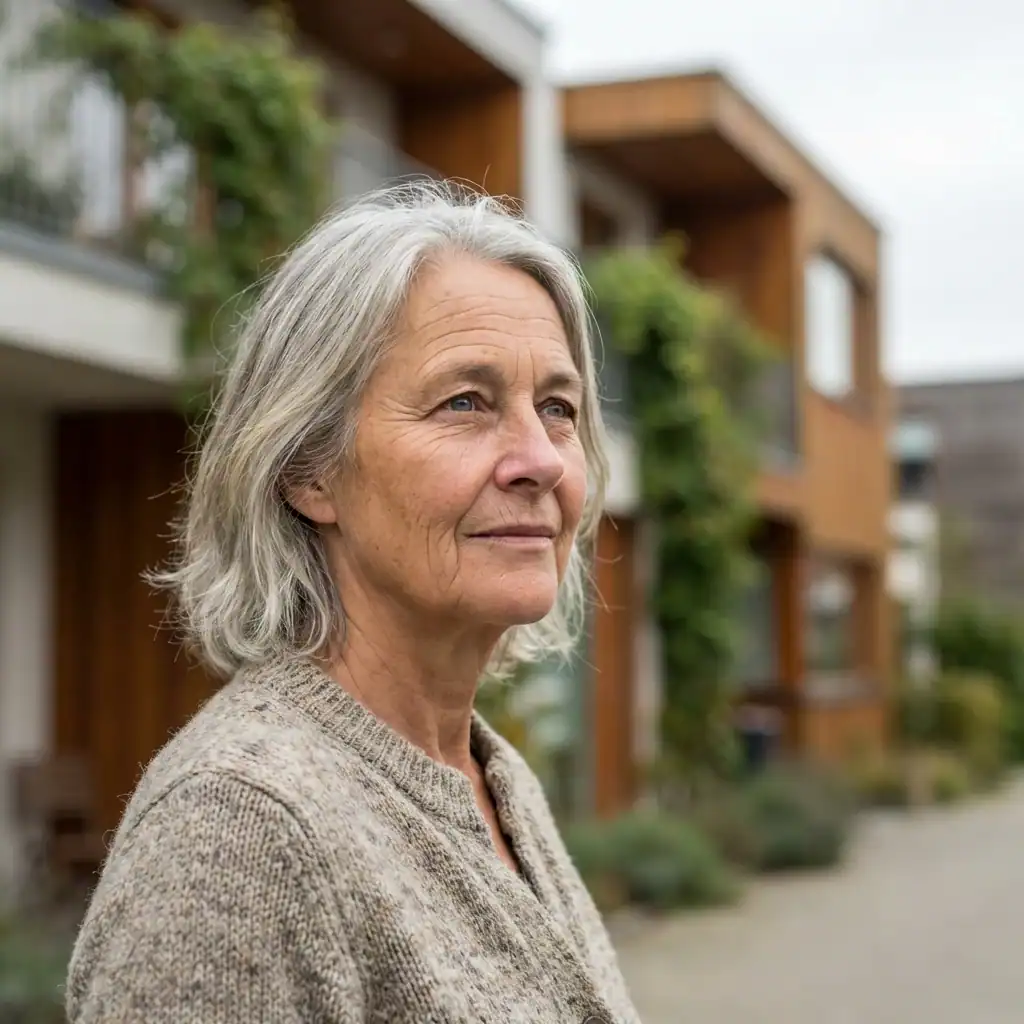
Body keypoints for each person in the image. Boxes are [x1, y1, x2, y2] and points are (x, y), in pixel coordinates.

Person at [65, 182, 642, 1023]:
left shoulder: (492, 777)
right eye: (465, 403)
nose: (541, 460)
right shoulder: (241, 831)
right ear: (308, 469)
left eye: (557, 407)